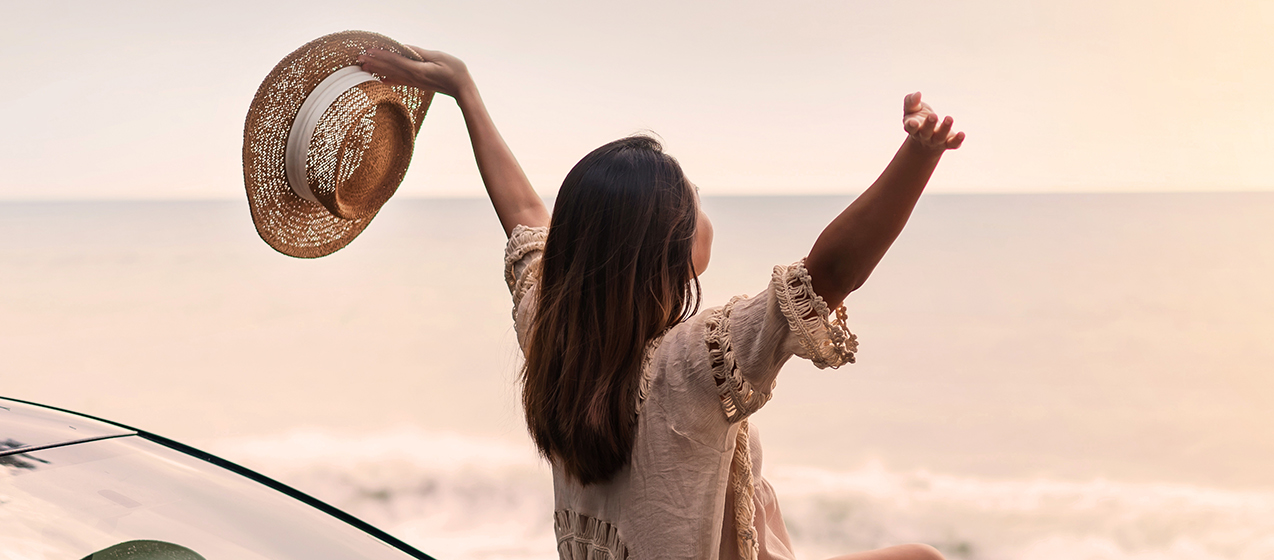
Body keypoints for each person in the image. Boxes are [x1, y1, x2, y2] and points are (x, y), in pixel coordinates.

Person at [357, 46, 964, 560]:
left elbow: (523, 220)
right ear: (667, 249)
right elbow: (829, 273)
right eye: (693, 200)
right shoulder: (693, 365)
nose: (704, 208)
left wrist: (466, 92)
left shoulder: (553, 332)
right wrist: (919, 156)